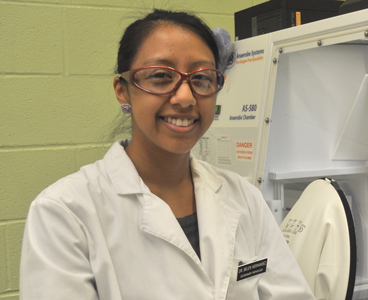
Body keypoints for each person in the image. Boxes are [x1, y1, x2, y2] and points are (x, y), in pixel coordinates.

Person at [20, 9, 315, 300]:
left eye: (201, 78)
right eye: (161, 76)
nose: (185, 97)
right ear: (123, 91)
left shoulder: (245, 199)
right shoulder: (64, 213)